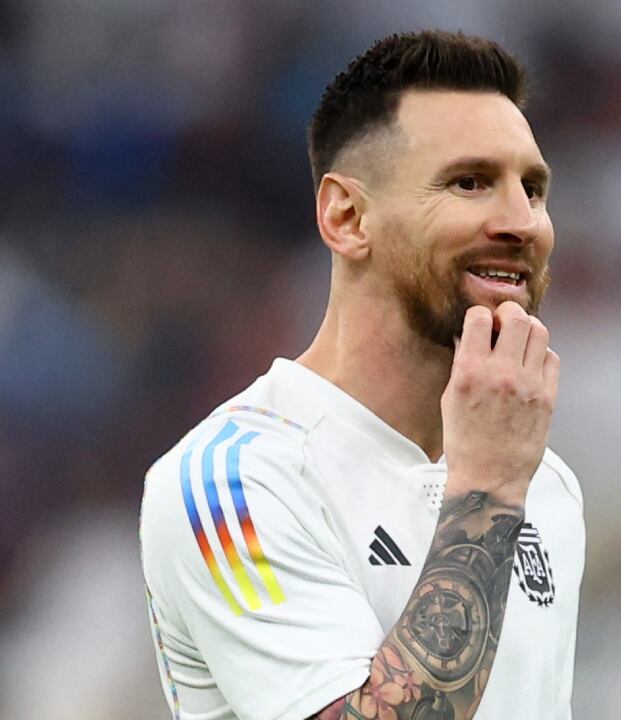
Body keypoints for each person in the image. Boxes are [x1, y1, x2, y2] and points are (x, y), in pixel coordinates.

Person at [139, 30, 584, 720]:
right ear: (346, 217)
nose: (523, 221)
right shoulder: (235, 480)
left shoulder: (547, 485)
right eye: (470, 182)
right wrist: (491, 487)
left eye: (533, 188)